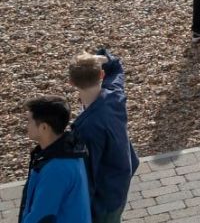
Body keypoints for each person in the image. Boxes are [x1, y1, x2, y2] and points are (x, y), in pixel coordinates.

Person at [68, 49, 138, 223]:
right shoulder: (115, 95)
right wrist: (101, 56)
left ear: (71, 82)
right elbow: (116, 67)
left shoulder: (87, 127)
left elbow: (89, 173)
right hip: (120, 180)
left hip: (104, 198)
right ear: (101, 74)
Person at [19, 96, 91, 223]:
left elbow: (41, 216)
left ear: (44, 128)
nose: (26, 126)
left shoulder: (56, 169)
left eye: (29, 121)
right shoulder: (68, 150)